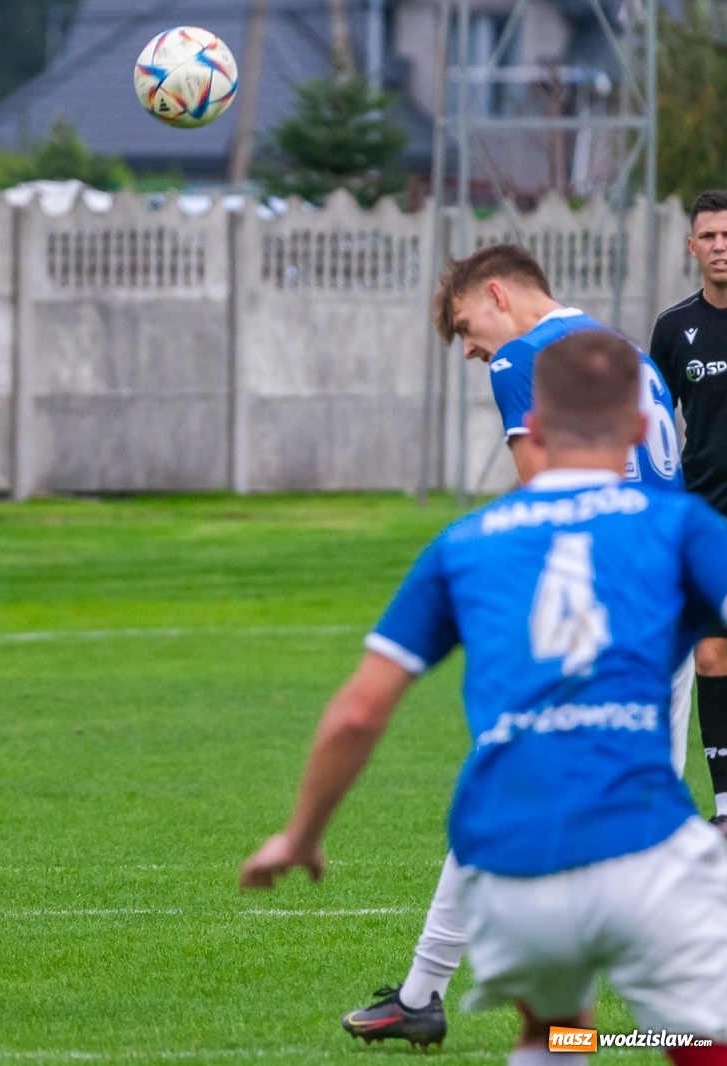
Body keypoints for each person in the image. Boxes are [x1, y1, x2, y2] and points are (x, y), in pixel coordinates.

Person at [242, 329, 727, 1066]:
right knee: (705, 1035)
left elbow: (357, 711)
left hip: (511, 863)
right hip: (643, 845)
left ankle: (567, 1039)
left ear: (530, 427)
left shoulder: (465, 543)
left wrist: (302, 834)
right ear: (639, 429)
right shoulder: (680, 525)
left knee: (552, 1034)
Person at [337, 244, 695, 1048]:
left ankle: (447, 999)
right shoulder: (626, 350)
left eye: (467, 327)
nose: (471, 350)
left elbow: (549, 497)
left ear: (497, 293)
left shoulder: (525, 361)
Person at [650, 189, 727, 835]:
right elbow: (653, 425)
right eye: (709, 236)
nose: (720, 246)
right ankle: (726, 804)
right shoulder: (675, 330)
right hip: (705, 522)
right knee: (710, 658)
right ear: (692, 247)